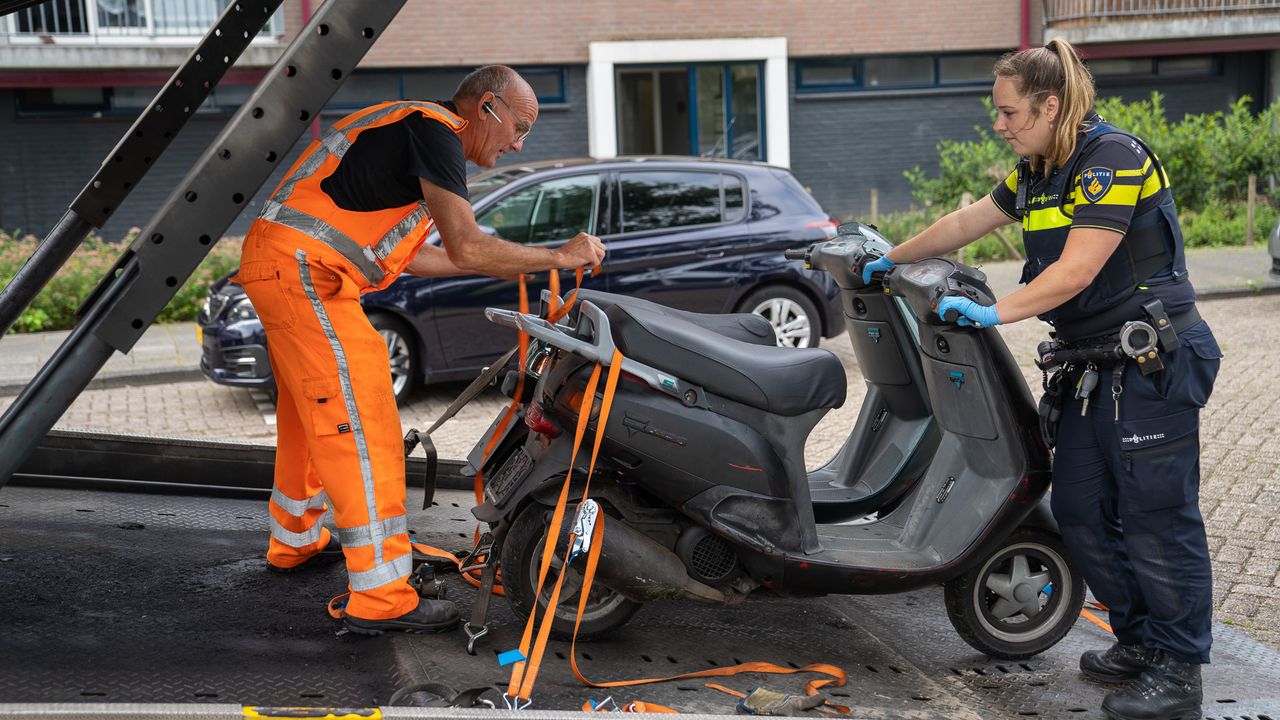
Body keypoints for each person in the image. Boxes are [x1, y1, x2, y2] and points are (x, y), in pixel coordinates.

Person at [863, 39, 1221, 720]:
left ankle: (1179, 673)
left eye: (1008, 112)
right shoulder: (1037, 168)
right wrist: (887, 259)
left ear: (1049, 105)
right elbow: (969, 221)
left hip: (1151, 365)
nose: (999, 124)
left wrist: (994, 311)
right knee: (1084, 514)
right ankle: (1141, 644)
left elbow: (1078, 269)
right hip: (1091, 365)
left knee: (1156, 519)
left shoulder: (1110, 159)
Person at [235, 65, 606, 635]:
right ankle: (381, 599)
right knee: (363, 421)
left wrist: (523, 264)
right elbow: (468, 245)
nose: (518, 143)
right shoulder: (435, 130)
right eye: (519, 126)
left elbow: (443, 257)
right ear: (486, 107)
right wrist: (558, 256)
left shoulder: (414, 132)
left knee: (312, 416)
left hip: (287, 267)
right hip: (305, 273)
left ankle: (296, 539)